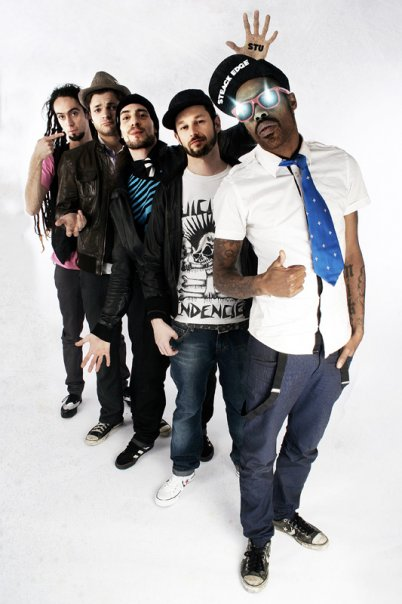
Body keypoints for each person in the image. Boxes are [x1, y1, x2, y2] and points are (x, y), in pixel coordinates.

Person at [76, 9, 277, 467]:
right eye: (125, 117)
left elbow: (237, 135)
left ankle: (200, 434)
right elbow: (127, 258)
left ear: (155, 126)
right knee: (149, 372)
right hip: (152, 289)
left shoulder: (182, 159)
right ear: (117, 131)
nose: (133, 122)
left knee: (199, 378)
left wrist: (252, 70)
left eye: (141, 115)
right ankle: (146, 433)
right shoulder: (118, 191)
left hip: (202, 296)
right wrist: (105, 326)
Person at [208, 54, 369, 592]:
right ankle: (258, 537)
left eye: (268, 99)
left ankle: (284, 511)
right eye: (245, 110)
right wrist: (263, 284)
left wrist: (358, 325)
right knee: (258, 453)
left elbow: (352, 252)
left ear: (292, 98)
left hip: (333, 346)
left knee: (304, 444)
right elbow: (222, 276)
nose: (259, 115)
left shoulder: (340, 164)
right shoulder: (238, 186)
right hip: (276, 346)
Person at [141, 88, 259, 507]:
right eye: (183, 126)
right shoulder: (170, 191)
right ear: (176, 136)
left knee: (243, 405)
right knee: (188, 407)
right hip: (188, 325)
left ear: (216, 123)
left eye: (200, 121)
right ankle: (183, 469)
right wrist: (157, 318)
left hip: (242, 324)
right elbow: (151, 260)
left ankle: (249, 465)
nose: (193, 130)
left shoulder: (245, 178)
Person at [55, 72, 132, 444]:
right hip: (94, 269)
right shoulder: (75, 159)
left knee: (145, 345)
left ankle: (147, 414)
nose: (106, 113)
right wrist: (69, 217)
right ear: (90, 114)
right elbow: (63, 205)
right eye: (98, 108)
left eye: (113, 106)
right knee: (103, 341)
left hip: (138, 267)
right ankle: (110, 414)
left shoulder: (143, 149)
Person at [25, 84, 92, 418]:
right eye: (62, 116)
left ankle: (120, 387)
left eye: (74, 113)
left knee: (110, 330)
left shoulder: (108, 149)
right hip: (68, 263)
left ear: (88, 112)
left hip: (105, 261)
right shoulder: (56, 157)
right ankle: (74, 389)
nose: (69, 122)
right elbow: (31, 205)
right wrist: (36, 158)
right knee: (71, 330)